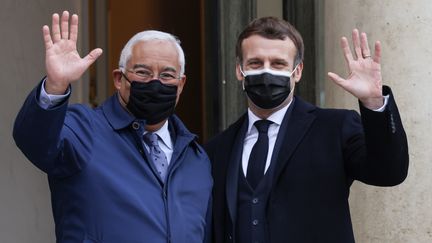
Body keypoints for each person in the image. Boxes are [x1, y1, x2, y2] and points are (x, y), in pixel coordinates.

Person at [13, 11, 212, 243]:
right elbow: (34, 141)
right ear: (119, 79)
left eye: (167, 75)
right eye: (143, 72)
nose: (155, 83)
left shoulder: (196, 159)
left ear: (181, 84)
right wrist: (56, 86)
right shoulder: (85, 129)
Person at [205, 16, 409, 243]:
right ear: (239, 70)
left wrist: (373, 102)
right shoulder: (217, 148)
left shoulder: (334, 128)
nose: (266, 72)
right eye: (255, 63)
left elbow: (389, 172)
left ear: (298, 71)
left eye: (278, 64)